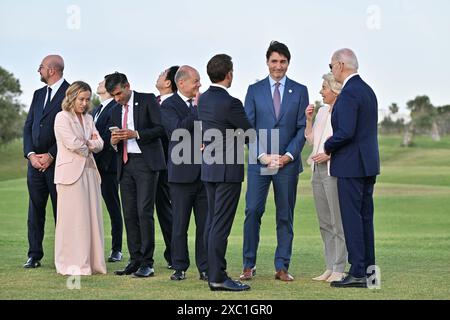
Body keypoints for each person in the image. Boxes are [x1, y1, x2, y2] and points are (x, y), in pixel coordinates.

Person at [242, 41, 309, 282]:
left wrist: (287, 156)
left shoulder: (300, 91)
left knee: (284, 215)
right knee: (252, 211)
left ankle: (282, 266)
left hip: (287, 165)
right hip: (260, 162)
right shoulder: (254, 90)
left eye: (282, 61)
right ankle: (248, 264)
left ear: (288, 63)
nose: (278, 66)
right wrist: (262, 155)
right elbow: (247, 127)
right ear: (267, 62)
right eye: (274, 61)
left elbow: (302, 127)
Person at [324, 48, 380, 288]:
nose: (331, 71)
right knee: (366, 218)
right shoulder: (368, 91)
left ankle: (357, 272)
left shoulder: (348, 93)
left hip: (350, 166)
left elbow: (346, 132)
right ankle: (370, 273)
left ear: (339, 65)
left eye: (330, 66)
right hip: (367, 164)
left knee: (352, 220)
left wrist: (327, 144)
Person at [198, 54, 252, 291]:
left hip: (209, 168)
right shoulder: (232, 103)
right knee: (220, 225)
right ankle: (218, 277)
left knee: (212, 223)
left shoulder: (203, 99)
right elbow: (249, 133)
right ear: (229, 74)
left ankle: (214, 272)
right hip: (227, 170)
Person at [107, 72, 166, 278]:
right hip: (125, 164)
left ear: (127, 86)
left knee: (144, 212)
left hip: (146, 164)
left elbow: (161, 129)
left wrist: (136, 134)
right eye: (113, 95)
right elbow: (114, 140)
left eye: (118, 94)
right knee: (130, 214)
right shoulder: (115, 110)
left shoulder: (147, 99)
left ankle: (147, 263)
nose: (116, 99)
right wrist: (114, 143)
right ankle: (135, 260)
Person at [161, 66, 208, 281]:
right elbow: (177, 131)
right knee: (179, 224)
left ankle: (205, 267)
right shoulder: (168, 104)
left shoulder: (205, 102)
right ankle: (179, 266)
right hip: (180, 175)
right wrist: (197, 109)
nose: (199, 84)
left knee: (205, 225)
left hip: (206, 173)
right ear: (181, 83)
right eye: (196, 81)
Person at [54, 81, 106, 275]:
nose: (84, 103)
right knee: (73, 220)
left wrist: (88, 143)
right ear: (72, 97)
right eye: (81, 99)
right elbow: (73, 143)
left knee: (91, 219)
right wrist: (88, 143)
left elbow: (100, 143)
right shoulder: (62, 117)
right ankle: (71, 263)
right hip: (70, 175)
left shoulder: (88, 119)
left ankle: (93, 263)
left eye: (87, 99)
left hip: (90, 172)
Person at [22, 55, 70, 268]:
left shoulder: (71, 93)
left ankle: (66, 255)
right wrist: (31, 154)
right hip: (34, 165)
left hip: (58, 163)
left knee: (62, 210)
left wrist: (51, 155)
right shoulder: (38, 94)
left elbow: (70, 130)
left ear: (51, 70)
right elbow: (29, 126)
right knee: (35, 210)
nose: (38, 70)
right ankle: (34, 255)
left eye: (40, 67)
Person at [305, 73, 347, 283]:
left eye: (324, 87)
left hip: (333, 170)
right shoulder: (322, 111)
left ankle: (340, 267)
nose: (321, 91)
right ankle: (329, 266)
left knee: (337, 220)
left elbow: (345, 140)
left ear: (335, 89)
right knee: (324, 222)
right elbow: (312, 140)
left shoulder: (343, 111)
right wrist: (309, 121)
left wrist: (329, 153)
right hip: (316, 170)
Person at [92, 76, 123, 263]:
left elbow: (105, 137)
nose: (99, 83)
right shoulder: (96, 109)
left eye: (102, 82)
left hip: (107, 167)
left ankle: (117, 249)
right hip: (91, 165)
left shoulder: (115, 108)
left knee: (113, 208)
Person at [154, 66, 180, 269]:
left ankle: (175, 253)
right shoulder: (155, 102)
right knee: (163, 210)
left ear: (169, 82)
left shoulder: (174, 105)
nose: (159, 75)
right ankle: (172, 252)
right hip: (154, 165)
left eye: (162, 74)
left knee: (170, 211)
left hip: (169, 164)